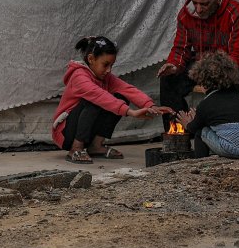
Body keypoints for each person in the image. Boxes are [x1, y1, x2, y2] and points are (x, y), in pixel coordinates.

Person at [51, 36, 170, 164]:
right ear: (91, 59)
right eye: (105, 64)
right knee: (95, 100)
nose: (109, 70)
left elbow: (127, 89)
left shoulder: (105, 77)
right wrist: (131, 112)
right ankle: (76, 148)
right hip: (66, 133)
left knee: (121, 97)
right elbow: (99, 96)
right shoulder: (79, 76)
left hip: (85, 131)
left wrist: (150, 105)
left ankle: (95, 146)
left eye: (111, 65)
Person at [157, 0, 239, 125]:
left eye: (205, 4)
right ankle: (177, 130)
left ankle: (214, 128)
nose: (198, 9)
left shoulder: (235, 13)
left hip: (228, 66)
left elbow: (238, 56)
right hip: (201, 64)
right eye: (195, 3)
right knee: (169, 79)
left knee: (224, 82)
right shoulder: (186, 14)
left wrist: (215, 73)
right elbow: (181, 47)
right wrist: (174, 64)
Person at [175, 52, 239, 159]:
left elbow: (194, 128)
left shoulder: (206, 104)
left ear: (203, 82)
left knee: (201, 132)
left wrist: (187, 123)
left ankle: (200, 160)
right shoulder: (237, 96)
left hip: (235, 149)